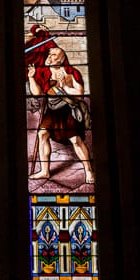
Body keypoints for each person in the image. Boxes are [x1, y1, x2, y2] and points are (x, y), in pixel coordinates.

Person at [26, 27, 94, 185]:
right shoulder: (44, 73)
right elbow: (37, 94)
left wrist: (63, 87)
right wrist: (31, 78)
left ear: (61, 59)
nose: (49, 57)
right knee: (42, 135)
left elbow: (79, 94)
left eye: (53, 55)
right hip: (52, 110)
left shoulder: (71, 72)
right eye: (49, 54)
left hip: (67, 109)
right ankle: (45, 171)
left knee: (75, 140)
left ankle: (89, 171)